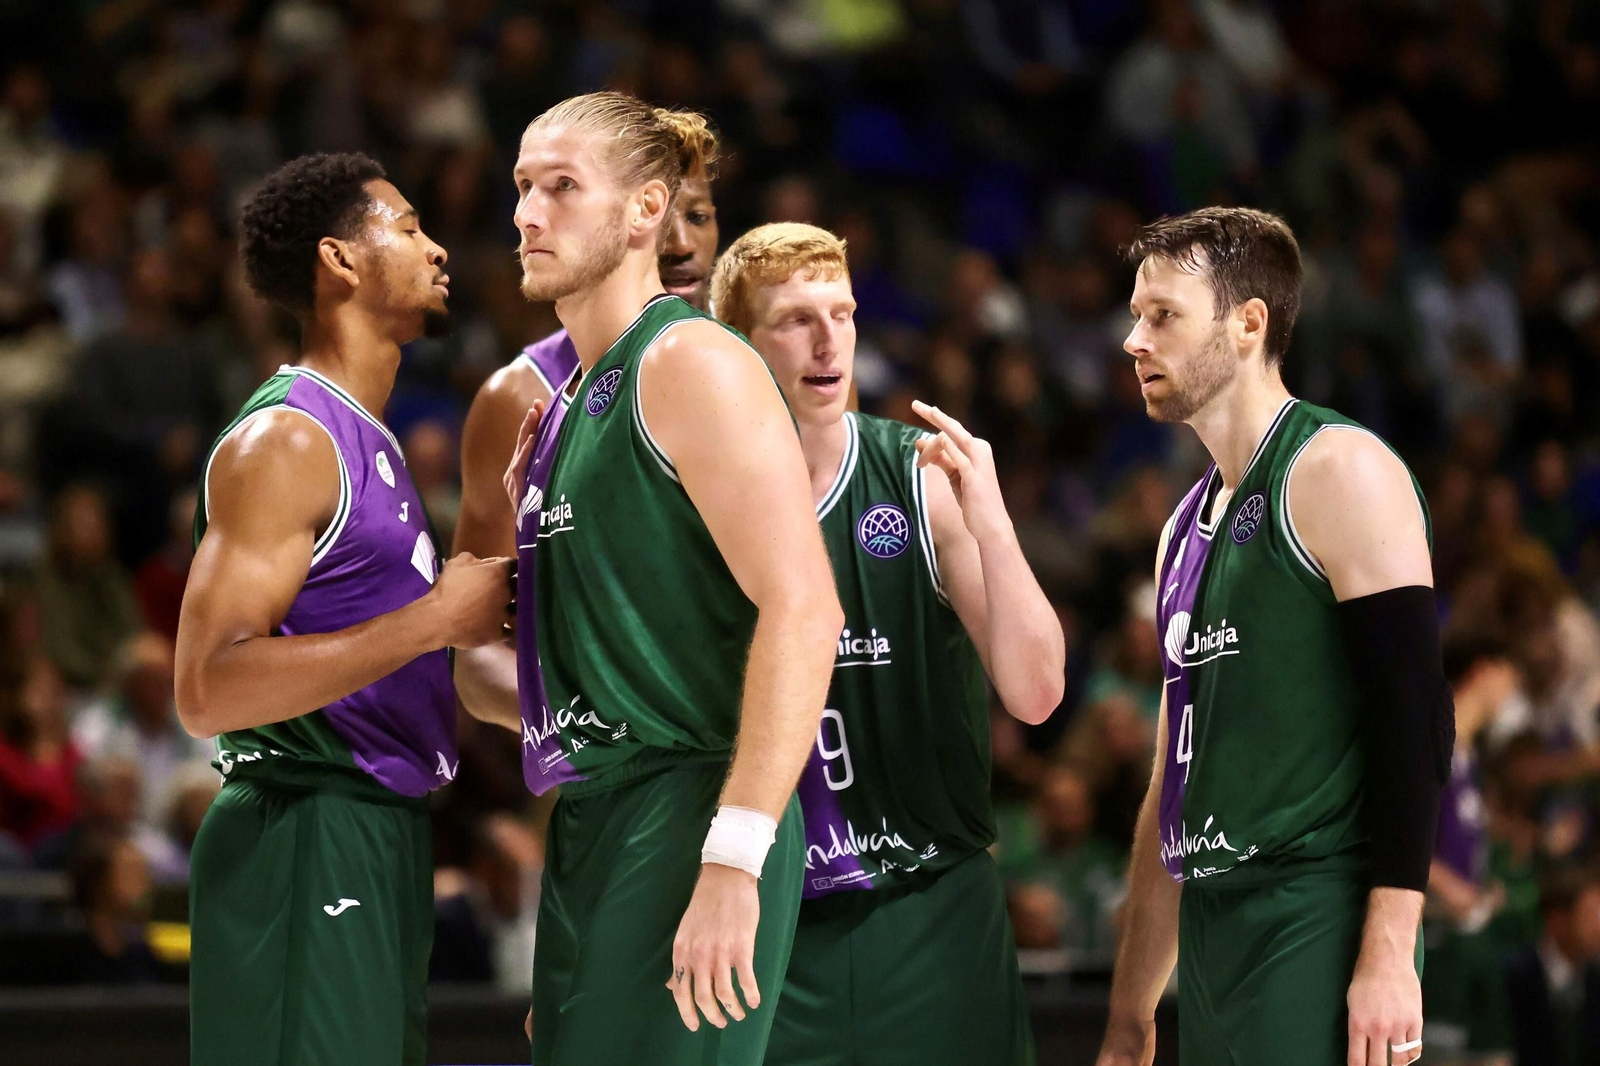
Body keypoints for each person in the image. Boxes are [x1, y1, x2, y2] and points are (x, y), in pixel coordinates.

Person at [475, 92, 842, 1065]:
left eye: (561, 186)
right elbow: (537, 682)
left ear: (645, 212)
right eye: (521, 187)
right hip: (595, 820)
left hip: (690, 810)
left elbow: (806, 609)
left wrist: (732, 857)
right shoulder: (557, 416)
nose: (527, 212)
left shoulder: (687, 361)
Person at [174, 152, 512, 1066]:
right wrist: (437, 620)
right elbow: (205, 687)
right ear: (340, 261)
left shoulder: (375, 443)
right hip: (305, 827)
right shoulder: (289, 438)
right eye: (407, 227)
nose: (438, 248)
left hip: (378, 829)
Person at [1097, 207, 1452, 1066]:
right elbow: (1170, 784)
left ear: (1249, 323)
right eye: (1137, 315)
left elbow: (1417, 716)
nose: (1133, 340)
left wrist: (1389, 952)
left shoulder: (1339, 468)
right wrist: (1130, 1009)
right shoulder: (1180, 530)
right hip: (1217, 927)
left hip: (1316, 912)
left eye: (1163, 316)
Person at [706, 221, 1065, 1065]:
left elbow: (1038, 692)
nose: (830, 340)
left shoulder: (920, 480)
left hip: (930, 901)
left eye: (844, 311)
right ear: (737, 345)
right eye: (797, 318)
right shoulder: (694, 500)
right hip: (767, 913)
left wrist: (996, 528)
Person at [1501, 866, 1600, 1066]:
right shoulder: (1512, 976)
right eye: (1590, 915)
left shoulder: (1595, 979)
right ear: (1556, 920)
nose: (1598, 927)